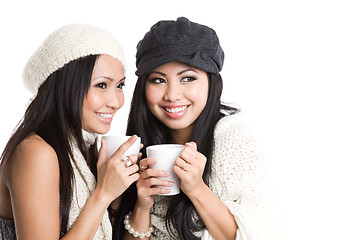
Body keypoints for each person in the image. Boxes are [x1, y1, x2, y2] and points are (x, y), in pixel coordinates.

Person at [112, 17, 281, 240]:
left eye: (188, 78)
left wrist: (196, 188)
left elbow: (254, 234)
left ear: (212, 83)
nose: (172, 95)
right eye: (158, 80)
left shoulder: (232, 139)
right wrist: (142, 206)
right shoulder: (138, 145)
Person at [0, 24, 140, 239]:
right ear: (65, 86)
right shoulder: (35, 152)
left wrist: (138, 201)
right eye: (102, 85)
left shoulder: (84, 147)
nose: (116, 101)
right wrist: (103, 193)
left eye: (120, 85)